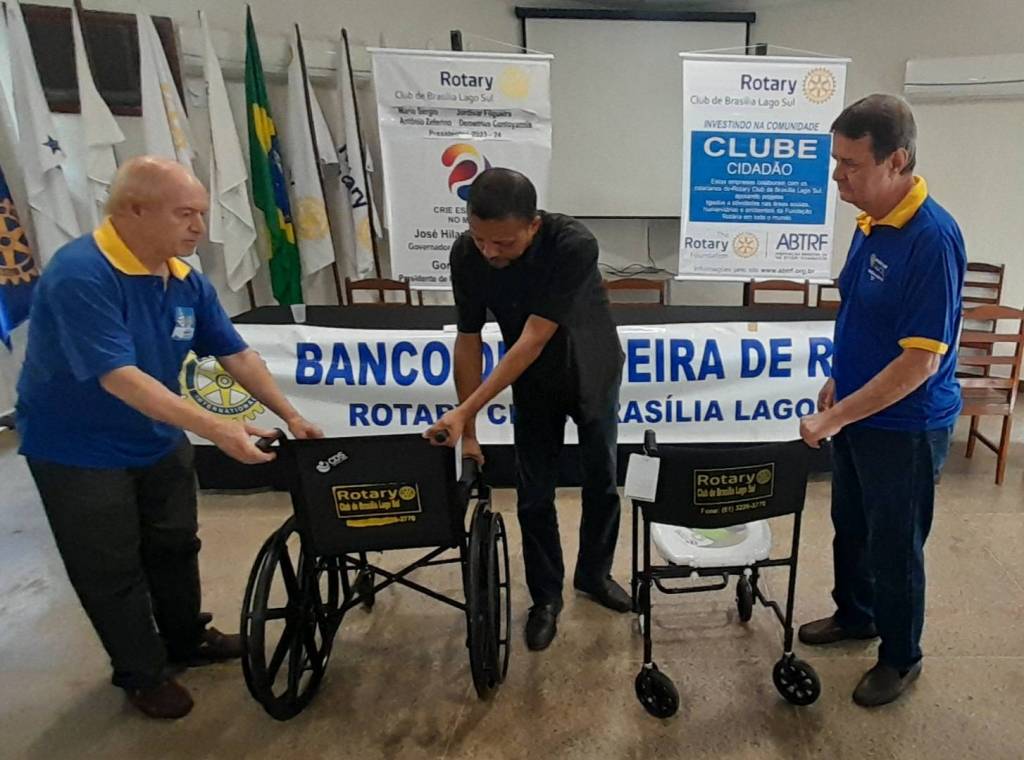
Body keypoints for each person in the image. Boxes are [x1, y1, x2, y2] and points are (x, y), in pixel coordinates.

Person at [16, 156, 323, 719]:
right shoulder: (81, 273)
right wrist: (218, 428)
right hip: (79, 449)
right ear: (134, 210)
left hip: (156, 435)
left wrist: (290, 414)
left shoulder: (184, 279)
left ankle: (186, 638)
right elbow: (119, 377)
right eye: (186, 214)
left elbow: (234, 353)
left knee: (176, 544)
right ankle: (142, 673)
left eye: (202, 214)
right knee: (111, 567)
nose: (199, 227)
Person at [798, 94, 966, 707]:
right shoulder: (870, 222)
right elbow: (864, 314)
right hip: (859, 411)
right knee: (852, 526)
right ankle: (856, 614)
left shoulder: (931, 240)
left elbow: (919, 362)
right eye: (835, 161)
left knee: (895, 545)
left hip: (905, 425)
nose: (836, 177)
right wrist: (838, 380)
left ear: (897, 160)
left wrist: (833, 417)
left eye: (851, 164)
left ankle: (900, 656)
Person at [425, 168, 630, 651]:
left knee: (601, 480)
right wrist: (468, 430)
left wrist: (466, 411)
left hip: (592, 367)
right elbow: (468, 340)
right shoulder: (467, 255)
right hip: (533, 380)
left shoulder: (573, 244)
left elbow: (534, 337)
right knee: (533, 493)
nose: (489, 252)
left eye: (503, 242)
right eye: (480, 238)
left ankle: (595, 575)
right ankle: (546, 598)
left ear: (533, 225)